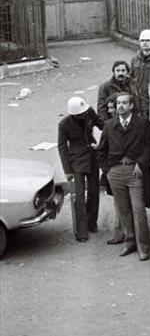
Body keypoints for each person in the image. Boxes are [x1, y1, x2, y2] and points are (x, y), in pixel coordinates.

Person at [96, 92, 150, 260]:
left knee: (138, 209)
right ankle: (129, 242)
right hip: (115, 172)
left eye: (124, 103)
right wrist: (107, 170)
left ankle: (144, 247)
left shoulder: (143, 124)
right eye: (118, 103)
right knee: (123, 210)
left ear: (131, 106)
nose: (120, 106)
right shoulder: (109, 125)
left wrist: (141, 164)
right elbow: (101, 150)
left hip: (135, 171)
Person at [57, 97, 102, 242]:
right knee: (80, 196)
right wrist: (67, 170)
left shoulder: (89, 112)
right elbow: (62, 147)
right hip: (76, 160)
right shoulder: (64, 125)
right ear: (74, 115)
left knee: (94, 192)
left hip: (92, 156)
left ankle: (91, 222)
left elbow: (102, 125)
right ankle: (82, 231)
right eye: (81, 114)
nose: (84, 114)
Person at [130, 29, 150, 119]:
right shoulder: (135, 59)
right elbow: (131, 77)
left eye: (148, 40)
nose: (145, 43)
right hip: (138, 99)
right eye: (142, 41)